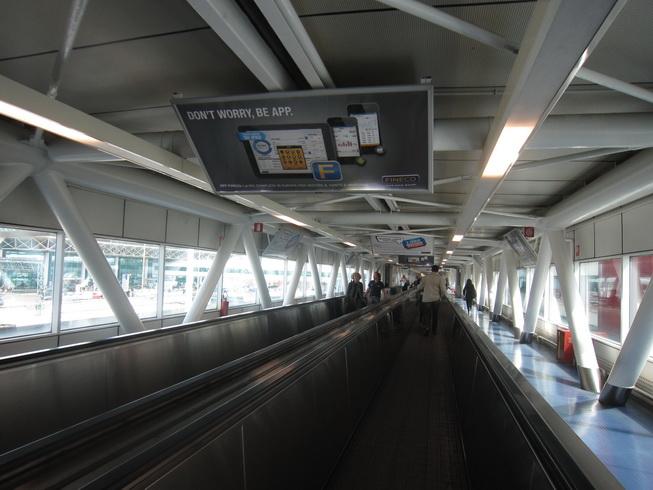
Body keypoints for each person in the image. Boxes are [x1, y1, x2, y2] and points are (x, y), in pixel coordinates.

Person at [421, 265, 447, 335]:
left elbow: (420, 286)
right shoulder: (440, 278)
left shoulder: (425, 277)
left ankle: (427, 329)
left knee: (427, 315)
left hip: (426, 299)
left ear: (431, 269)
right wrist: (441, 297)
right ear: (438, 270)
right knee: (435, 315)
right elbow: (443, 290)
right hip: (436, 299)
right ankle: (434, 331)